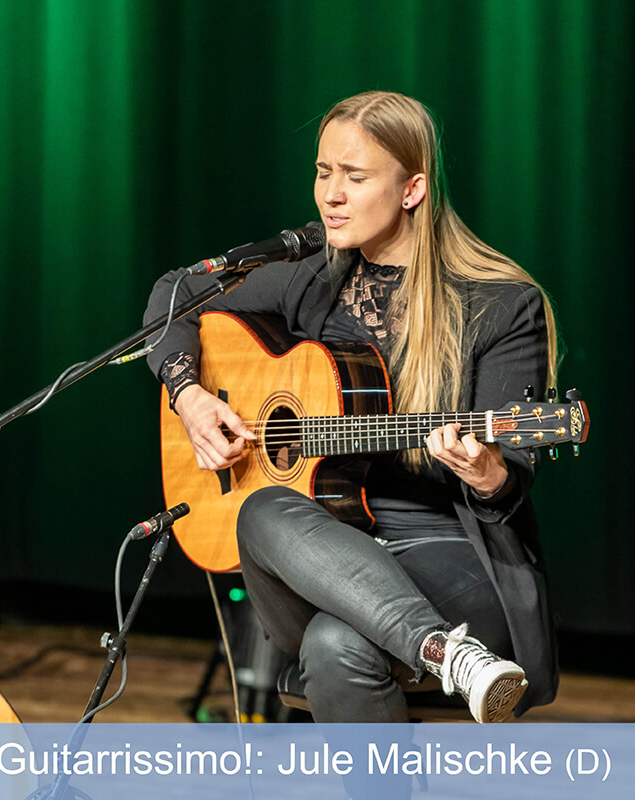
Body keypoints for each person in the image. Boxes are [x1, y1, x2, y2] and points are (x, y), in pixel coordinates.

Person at [144, 90, 560, 724]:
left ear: (412, 189)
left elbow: (509, 489)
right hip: (318, 549)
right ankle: (447, 653)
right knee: (260, 509)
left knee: (337, 646)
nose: (330, 195)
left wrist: (487, 475)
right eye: (322, 172)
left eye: (355, 177)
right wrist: (191, 397)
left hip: (451, 550)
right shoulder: (311, 276)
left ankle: (445, 649)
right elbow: (176, 293)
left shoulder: (499, 305)